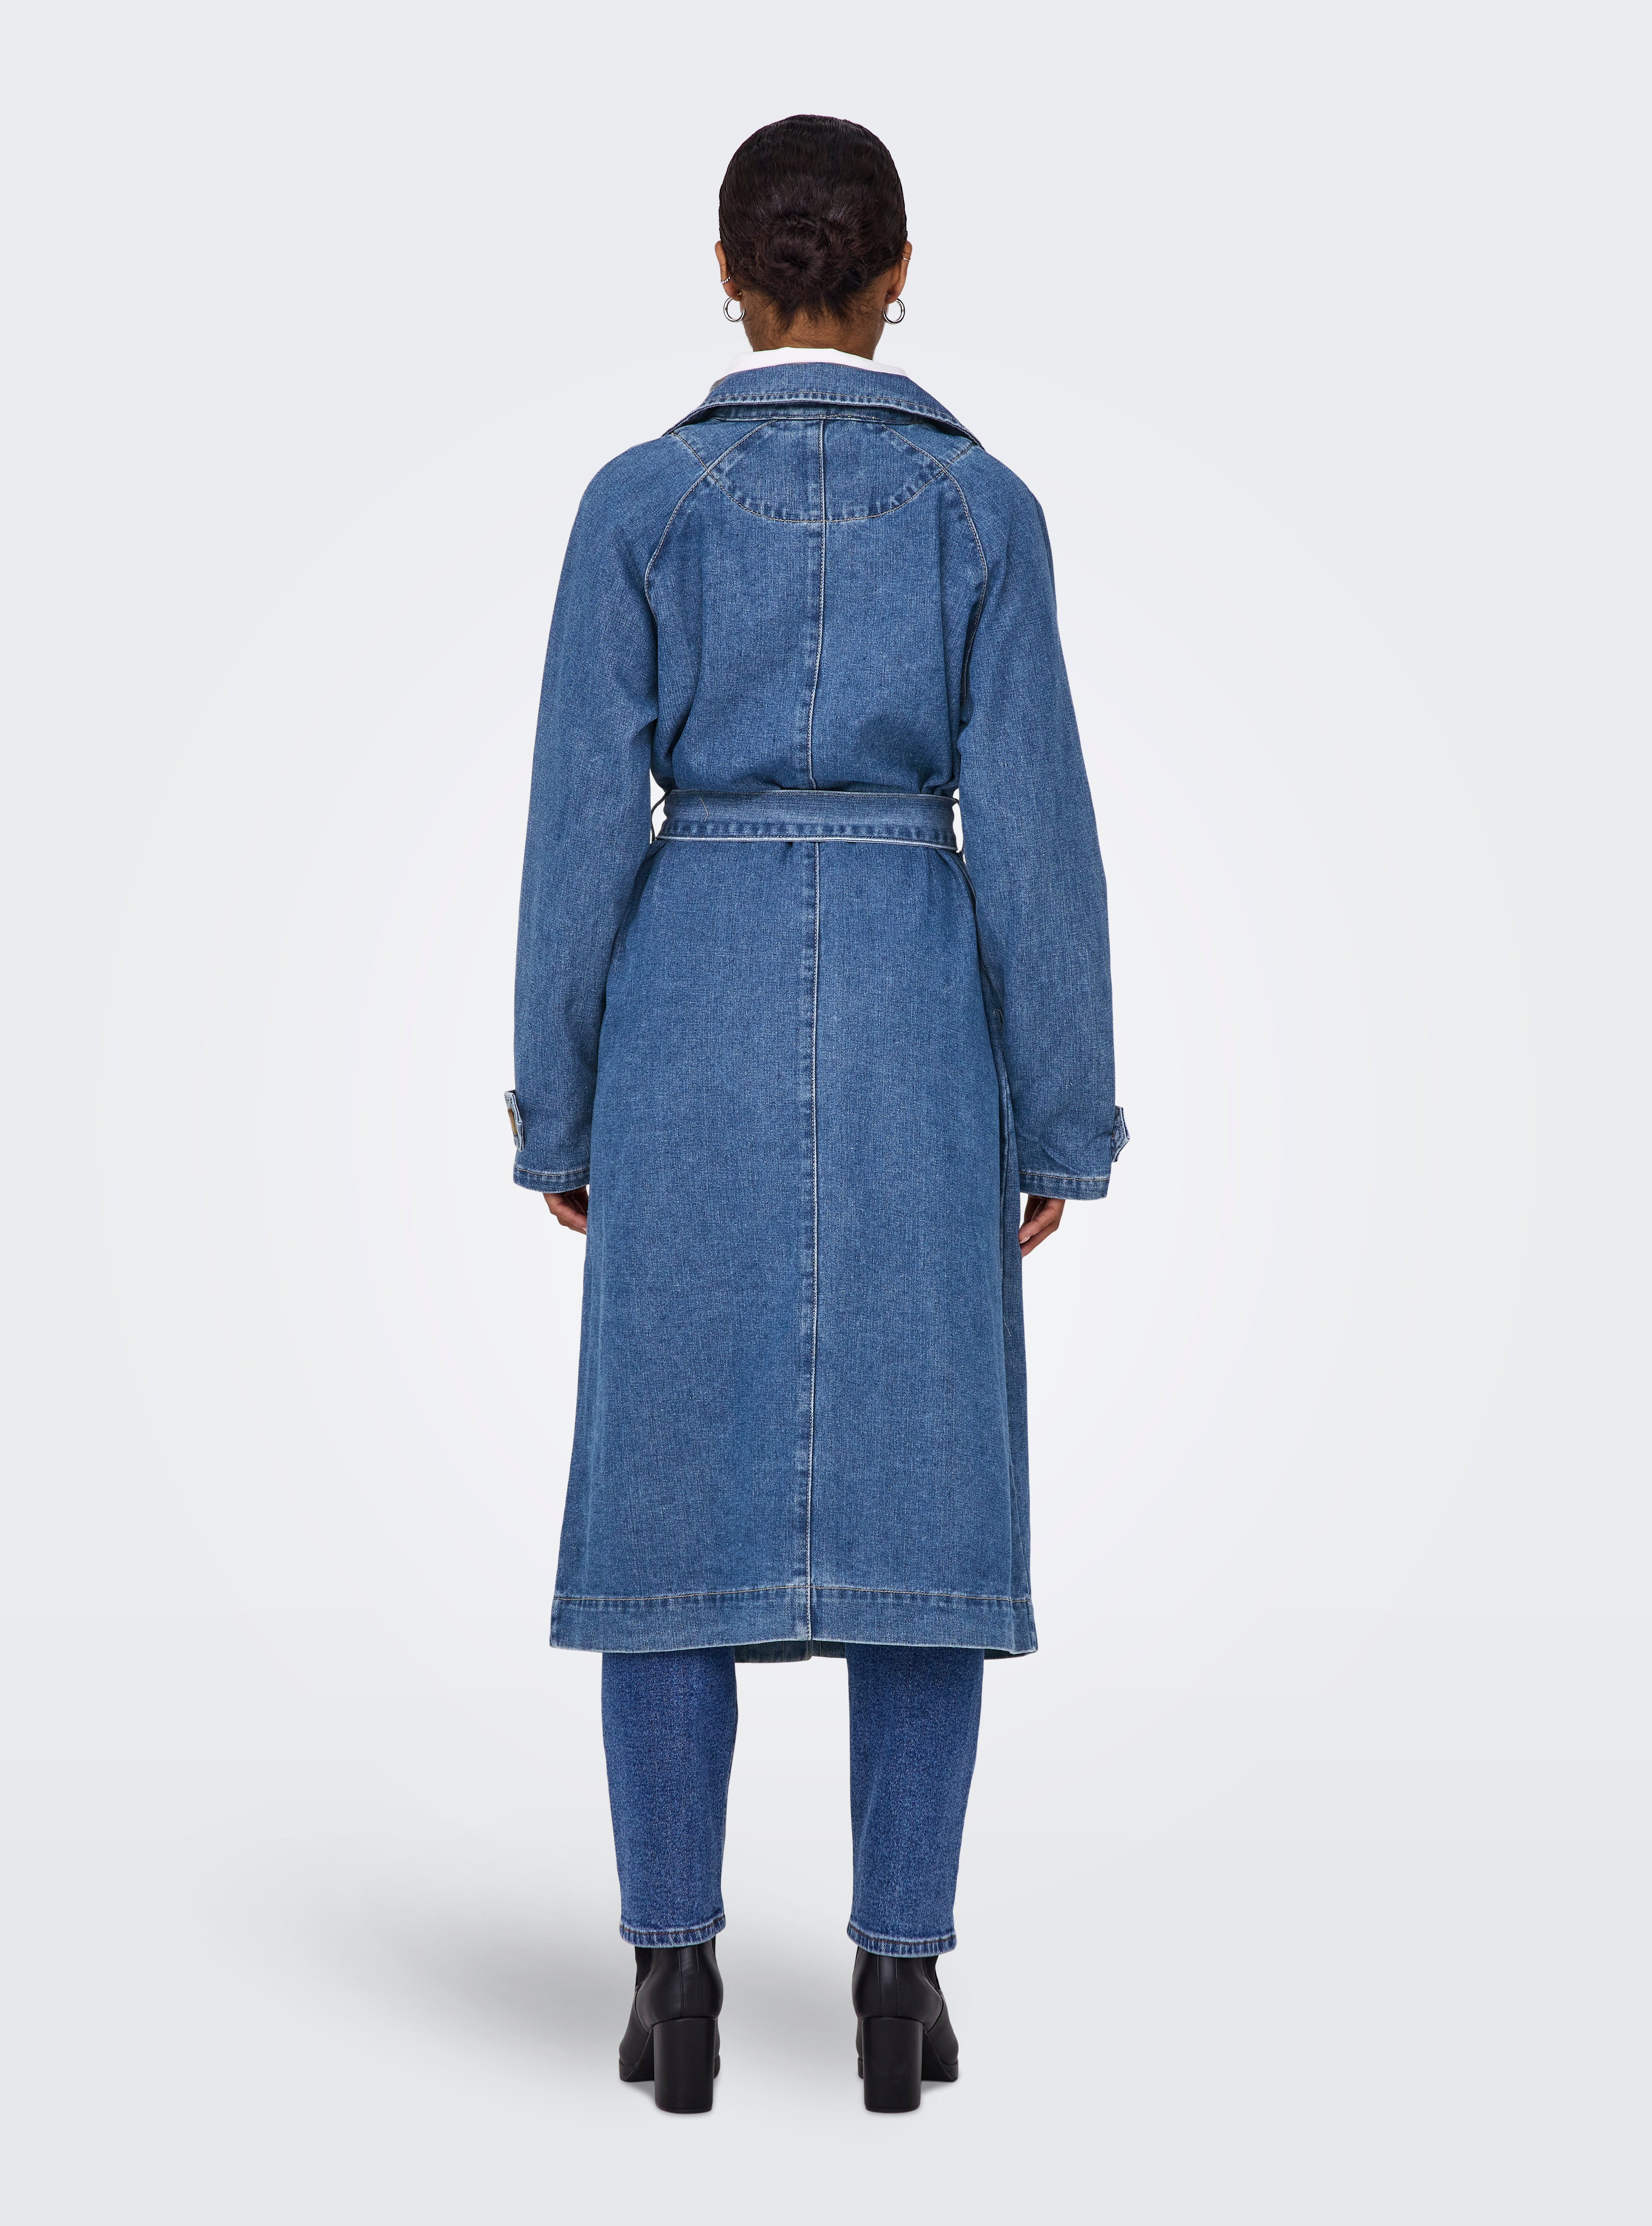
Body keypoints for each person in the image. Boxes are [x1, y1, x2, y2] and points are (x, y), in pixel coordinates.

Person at [509, 114, 1124, 2113]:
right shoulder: (983, 512)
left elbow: (576, 828)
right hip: (914, 1004)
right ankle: (897, 1985)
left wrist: (559, 1108)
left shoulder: (638, 503)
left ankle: (671, 1975)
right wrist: (1060, 1117)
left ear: (726, 271)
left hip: (683, 995)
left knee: (665, 1480)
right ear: (897, 272)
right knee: (927, 1486)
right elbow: (1036, 832)